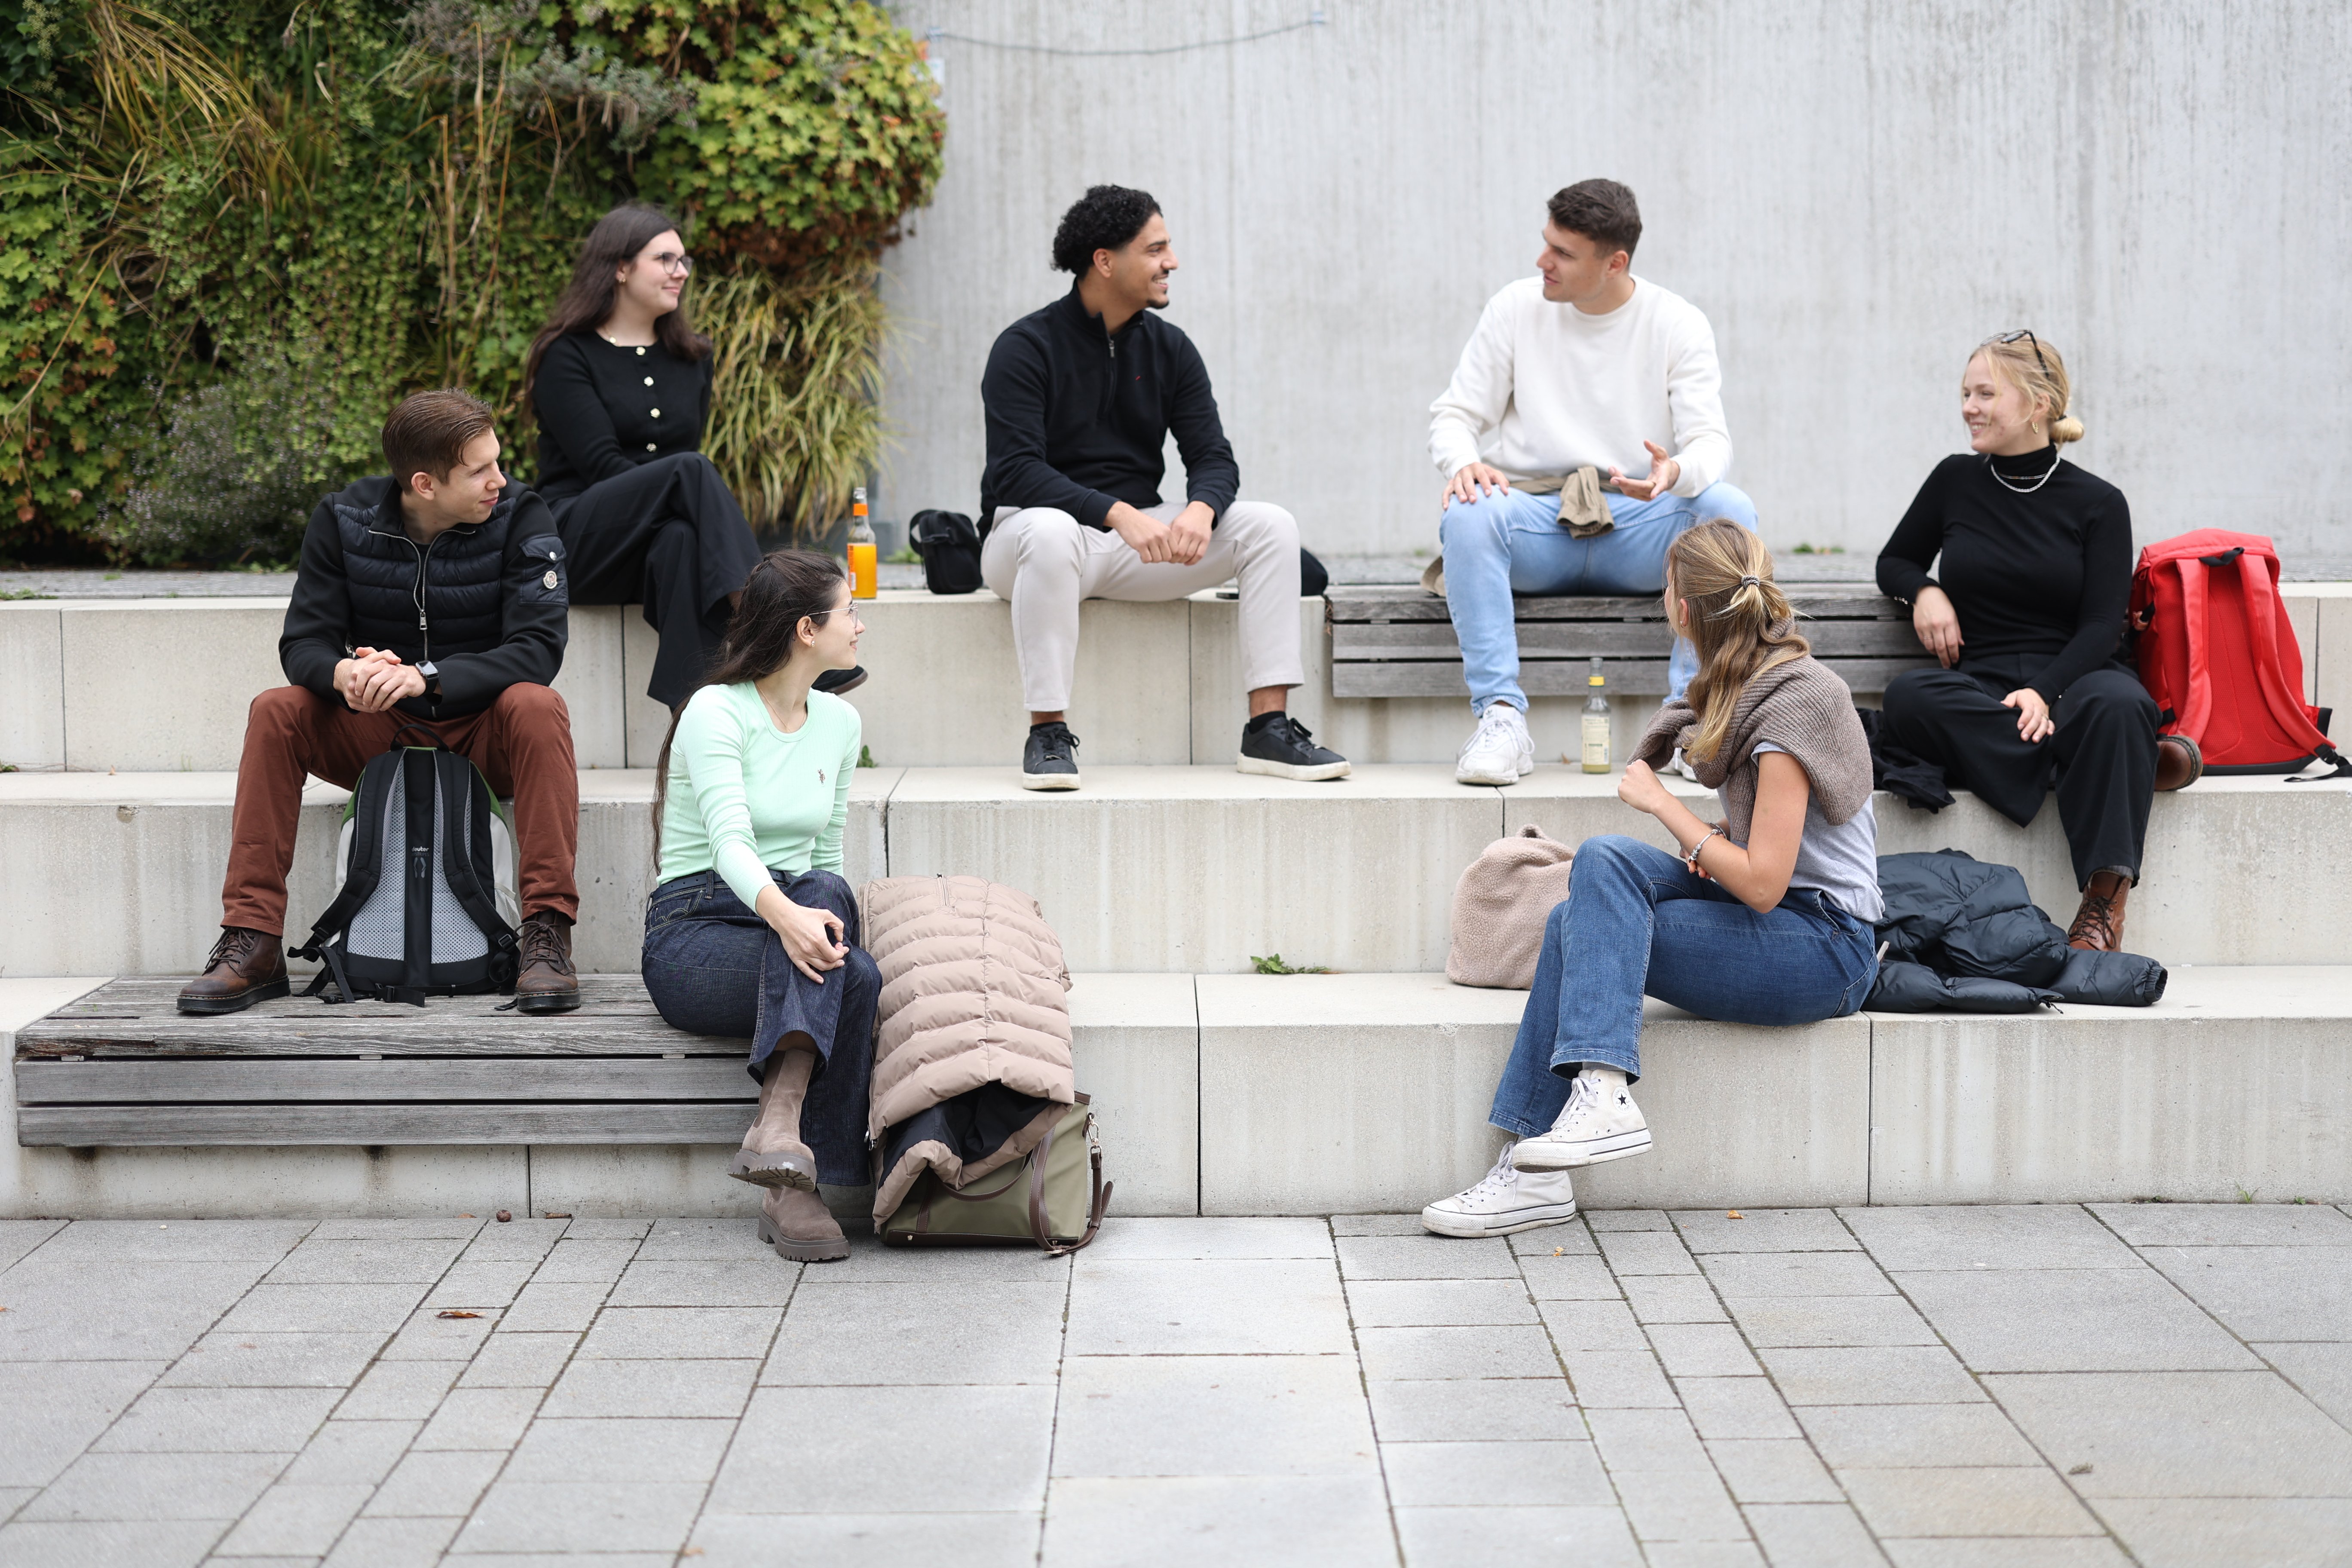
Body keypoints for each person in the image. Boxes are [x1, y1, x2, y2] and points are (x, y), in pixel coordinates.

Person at [1422, 522, 1880, 1238]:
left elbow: (1764, 884)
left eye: (1667, 586)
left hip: (1824, 946)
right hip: (1777, 915)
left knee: (1574, 924)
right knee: (1603, 858)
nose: (1662, 598)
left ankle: (1551, 1147)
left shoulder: (1791, 705)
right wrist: (1715, 838)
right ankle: (1584, 1109)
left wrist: (1667, 807)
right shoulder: (1739, 689)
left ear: (1686, 610)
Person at [178, 391, 582, 1016]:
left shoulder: (522, 515)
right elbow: (303, 642)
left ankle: (547, 934)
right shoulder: (343, 519)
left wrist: (429, 676)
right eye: (480, 470)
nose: (499, 480)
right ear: (424, 483)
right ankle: (253, 941)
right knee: (276, 709)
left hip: (483, 731)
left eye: (497, 461)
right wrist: (345, 674)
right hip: (378, 731)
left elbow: (537, 649)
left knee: (538, 705)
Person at [979, 183, 1349, 790]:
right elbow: (1016, 472)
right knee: (1049, 530)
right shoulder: (1025, 348)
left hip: (1134, 546)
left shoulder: (1171, 349)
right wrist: (1117, 513)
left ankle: (1269, 728)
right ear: (1105, 260)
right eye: (1156, 249)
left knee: (1270, 524)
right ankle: (1047, 734)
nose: (1171, 262)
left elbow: (1213, 456)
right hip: (1026, 543)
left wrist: (1201, 510)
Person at [1874, 333, 2198, 952]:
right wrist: (1926, 591)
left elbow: (2103, 625)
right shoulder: (1954, 480)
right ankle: (2106, 761)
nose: (1969, 406)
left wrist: (2046, 692)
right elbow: (1895, 560)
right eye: (1965, 393)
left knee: (2121, 706)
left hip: (2076, 678)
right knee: (1911, 699)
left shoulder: (2099, 502)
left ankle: (2102, 905)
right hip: (1985, 685)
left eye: (1985, 393)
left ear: (2039, 403)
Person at [1429, 178, 1758, 787]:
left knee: (1727, 510)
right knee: (1469, 512)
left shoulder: (1677, 322)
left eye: (1563, 253)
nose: (1542, 262)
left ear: (1615, 263)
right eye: (1545, 243)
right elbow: (1454, 415)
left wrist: (1675, 472)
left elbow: (1712, 442)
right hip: (1536, 524)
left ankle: (1693, 721)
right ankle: (1501, 720)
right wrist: (1462, 463)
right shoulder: (1514, 308)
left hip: (1639, 527)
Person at [640, 550, 879, 1264]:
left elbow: (827, 856)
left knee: (852, 959)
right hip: (697, 930)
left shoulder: (839, 723)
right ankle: (790, 1166)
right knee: (847, 968)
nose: (861, 626)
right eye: (850, 612)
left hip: (788, 912)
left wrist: (811, 919)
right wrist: (790, 917)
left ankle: (785, 1158)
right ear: (808, 629)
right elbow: (728, 841)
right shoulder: (716, 710)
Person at [528, 205, 858, 710]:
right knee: (691, 468)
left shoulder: (692, 356)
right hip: (584, 537)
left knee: (681, 539)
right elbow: (603, 468)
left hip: (653, 543)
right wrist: (676, 484)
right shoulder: (565, 354)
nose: (681, 271)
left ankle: (695, 717)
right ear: (619, 267)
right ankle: (770, 624)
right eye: (665, 259)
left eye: (684, 260)